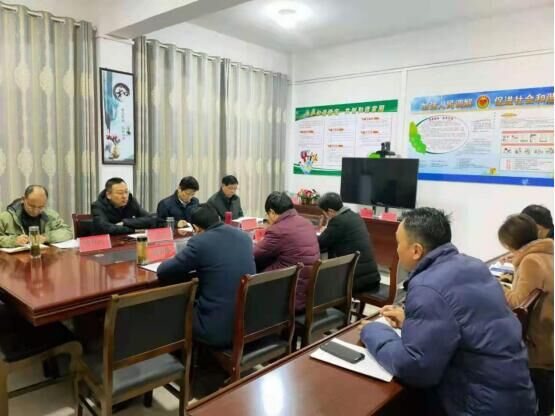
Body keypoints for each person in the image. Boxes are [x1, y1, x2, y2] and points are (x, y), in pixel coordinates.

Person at [359, 207, 536, 415]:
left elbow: (416, 368)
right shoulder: (474, 265)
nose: (397, 250)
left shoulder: (428, 286)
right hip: (517, 397)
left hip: (480, 406)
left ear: (416, 250)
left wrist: (374, 331)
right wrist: (409, 322)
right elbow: (463, 325)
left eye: (398, 243)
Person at [157, 204, 255, 347]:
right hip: (248, 324)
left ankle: (179, 357)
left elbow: (163, 271)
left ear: (196, 228)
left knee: (171, 307)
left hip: (215, 329)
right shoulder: (244, 237)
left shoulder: (200, 242)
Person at [498, 213, 553, 416]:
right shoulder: (545, 254)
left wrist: (497, 286)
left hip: (538, 341)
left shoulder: (531, 261)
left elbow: (517, 303)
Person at [253, 192, 319, 311]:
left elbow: (254, 254)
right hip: (307, 292)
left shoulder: (278, 230)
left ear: (272, 212)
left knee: (249, 277)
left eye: (267, 214)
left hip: (290, 294)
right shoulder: (307, 222)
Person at [317, 192, 380, 294]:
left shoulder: (338, 221)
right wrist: (328, 231)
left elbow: (320, 243)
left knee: (318, 282)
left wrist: (324, 232)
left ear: (330, 211)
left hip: (355, 281)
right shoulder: (355, 216)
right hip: (372, 278)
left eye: (324, 213)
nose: (325, 216)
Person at [0, 185, 72, 248]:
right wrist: (13, 241)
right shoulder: (6, 217)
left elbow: (67, 232)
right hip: (15, 258)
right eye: (31, 206)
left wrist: (45, 237)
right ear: (23, 199)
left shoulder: (50, 215)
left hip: (43, 256)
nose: (35, 211)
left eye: (41, 207)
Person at [91, 177, 156, 235]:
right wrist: (133, 230)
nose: (124, 196)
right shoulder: (97, 206)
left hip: (127, 240)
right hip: (108, 242)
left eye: (126, 192)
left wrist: (125, 222)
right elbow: (104, 228)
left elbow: (150, 219)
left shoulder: (131, 201)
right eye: (120, 193)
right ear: (108, 195)